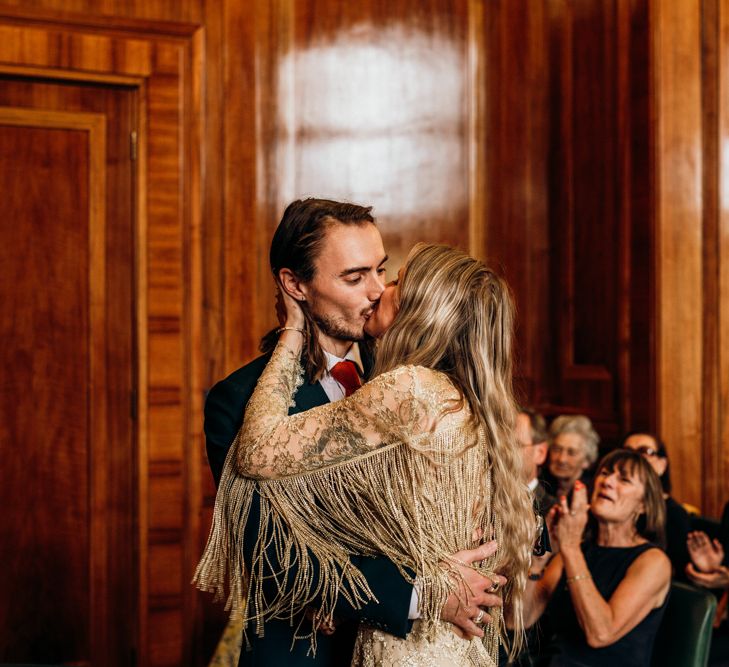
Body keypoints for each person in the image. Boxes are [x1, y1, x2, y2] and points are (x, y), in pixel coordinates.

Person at [197, 242, 537, 666]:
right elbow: (269, 539)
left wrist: (292, 333)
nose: (377, 289)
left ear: (421, 309)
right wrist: (413, 588)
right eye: (357, 277)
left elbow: (258, 453)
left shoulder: (408, 386)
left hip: (415, 644)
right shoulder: (454, 392)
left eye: (388, 274)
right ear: (296, 285)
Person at [522, 449, 671, 667]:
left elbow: (600, 634)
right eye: (605, 473)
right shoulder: (576, 550)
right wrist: (538, 560)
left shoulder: (653, 562)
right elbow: (521, 620)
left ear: (643, 505)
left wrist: (570, 547)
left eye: (624, 479)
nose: (608, 481)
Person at [621, 431, 691, 578]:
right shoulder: (614, 506)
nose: (634, 458)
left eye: (644, 451)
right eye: (627, 452)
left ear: (662, 465)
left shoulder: (674, 514)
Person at [542, 415, 599, 498]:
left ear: (586, 460)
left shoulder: (593, 493)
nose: (562, 459)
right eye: (557, 449)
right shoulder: (540, 485)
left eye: (571, 453)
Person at [517, 408, 556, 518]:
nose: (504, 453)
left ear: (540, 453)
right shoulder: (482, 504)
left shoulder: (552, 511)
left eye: (516, 445)